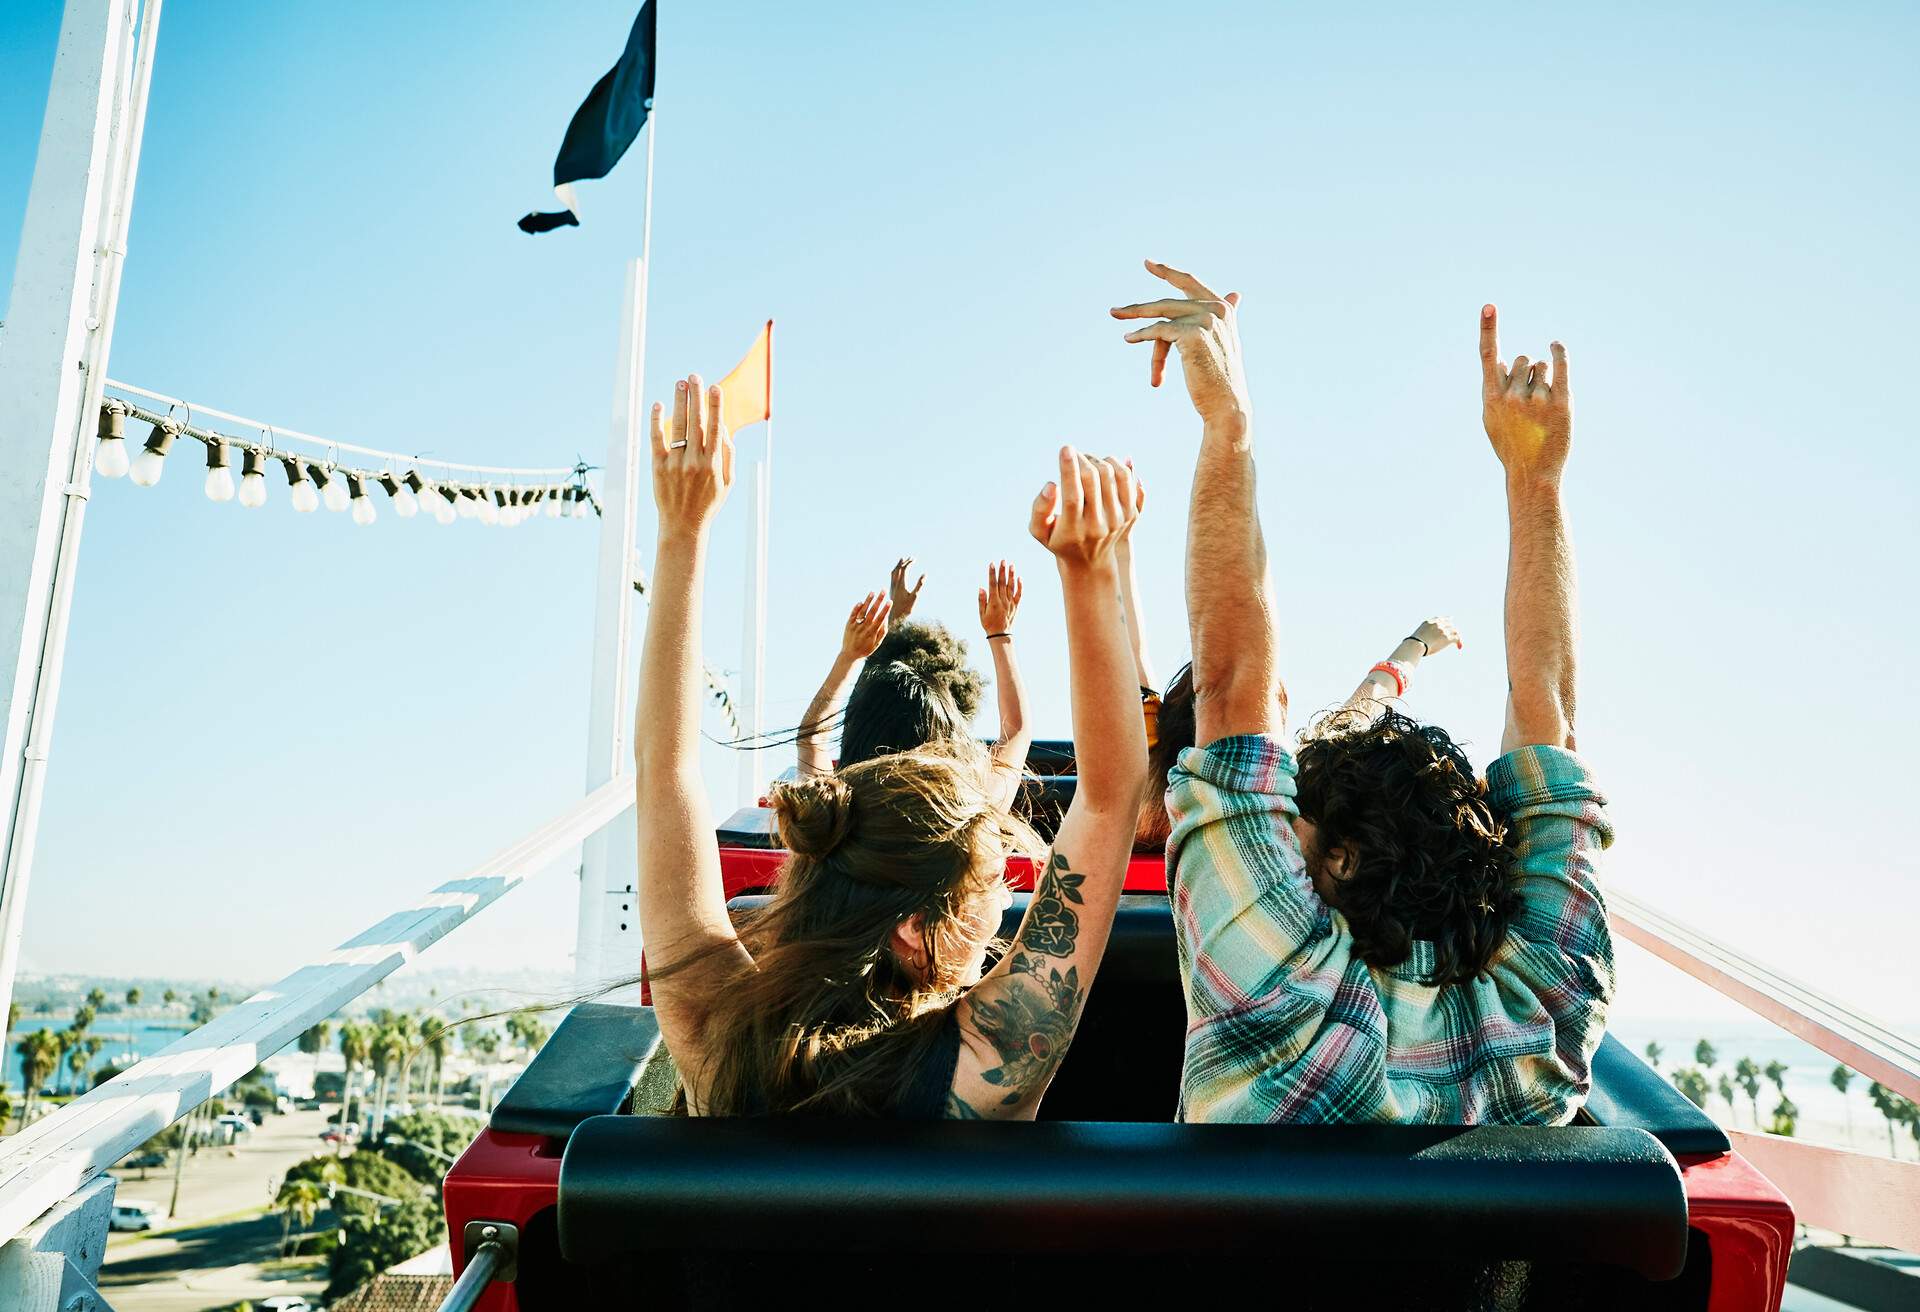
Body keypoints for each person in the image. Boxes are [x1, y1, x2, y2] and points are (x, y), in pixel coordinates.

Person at [1112, 264, 1612, 1125]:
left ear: (1342, 859)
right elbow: (1551, 716)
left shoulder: (1275, 998)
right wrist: (1537, 479)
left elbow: (1233, 691)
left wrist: (1228, 424)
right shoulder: (1547, 1014)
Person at [633, 371, 1148, 1118]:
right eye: (991, 891)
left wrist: (682, 531)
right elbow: (1110, 798)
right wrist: (1090, 570)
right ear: (915, 929)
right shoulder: (984, 1068)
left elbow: (663, 775)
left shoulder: (715, 1034)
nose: (1003, 910)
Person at [1135, 616, 1462, 851]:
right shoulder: (1289, 789)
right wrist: (1415, 645)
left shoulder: (1133, 776)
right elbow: (1363, 708)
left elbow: (1131, 658)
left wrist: (1112, 547)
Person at [794, 562, 1033, 808]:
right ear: (948, 741)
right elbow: (1016, 730)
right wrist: (1000, 633)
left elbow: (812, 739)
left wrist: (849, 656)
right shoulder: (972, 813)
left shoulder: (833, 816)